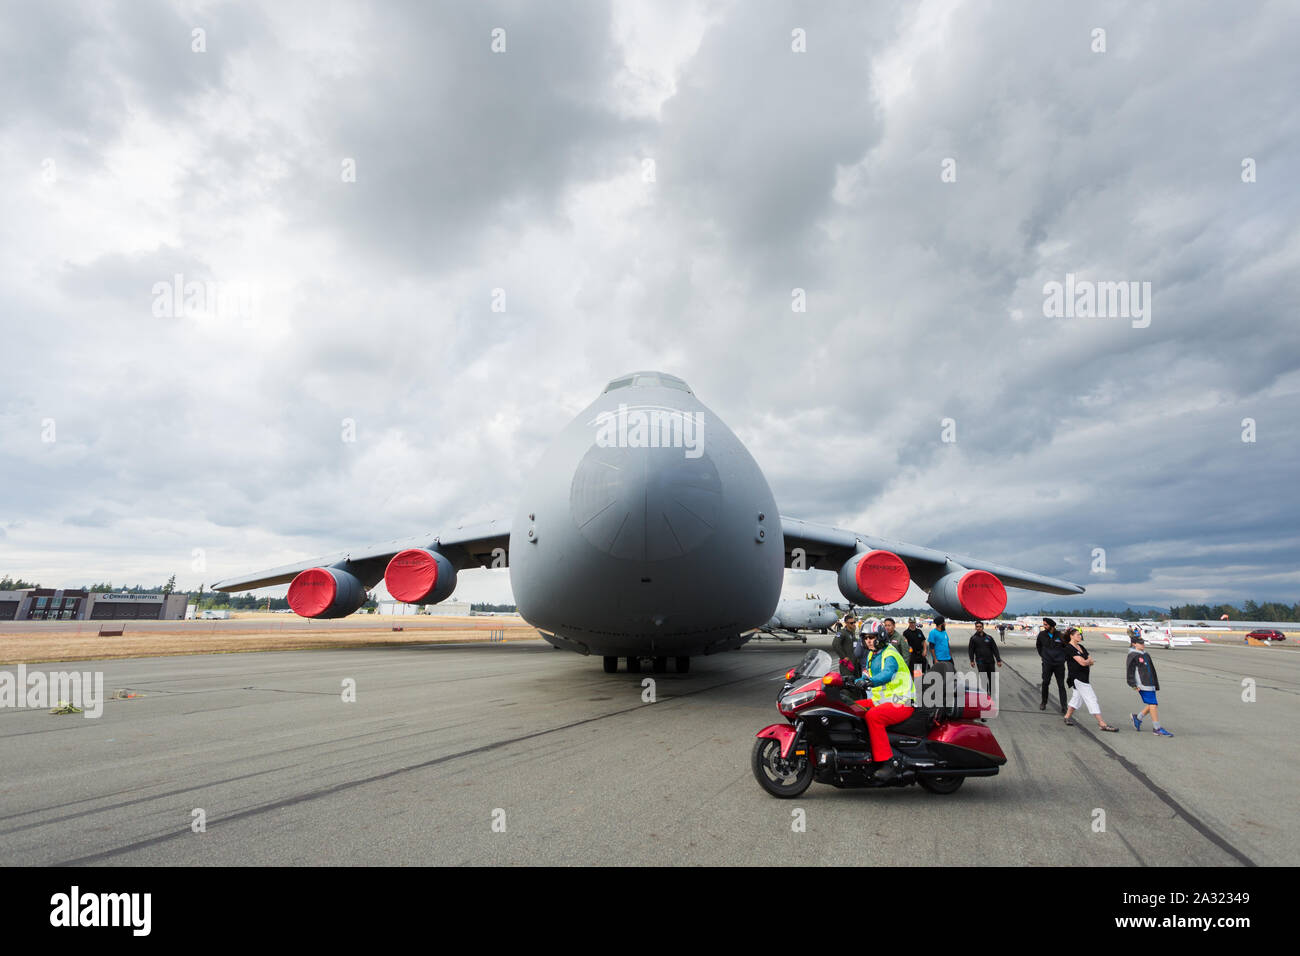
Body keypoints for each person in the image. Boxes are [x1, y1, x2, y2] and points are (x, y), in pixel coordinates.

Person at [852, 626, 915, 782]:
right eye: (866, 638)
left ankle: (888, 763)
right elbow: (865, 675)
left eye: (872, 637)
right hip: (883, 700)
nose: (869, 641)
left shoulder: (890, 653)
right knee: (851, 707)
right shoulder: (872, 655)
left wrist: (869, 681)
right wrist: (849, 681)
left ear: (880, 637)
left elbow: (887, 673)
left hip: (902, 701)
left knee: (874, 716)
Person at [1061, 627, 1119, 731]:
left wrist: (1086, 661)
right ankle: (1102, 723)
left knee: (1077, 698)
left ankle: (1067, 717)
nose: (1080, 636)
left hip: (1084, 676)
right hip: (1077, 677)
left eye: (1080, 634)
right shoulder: (1069, 648)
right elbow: (1083, 662)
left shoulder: (1081, 647)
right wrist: (1087, 661)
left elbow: (1090, 661)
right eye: (1078, 634)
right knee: (1091, 698)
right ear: (1071, 636)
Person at [1127, 636, 1173, 736]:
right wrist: (1133, 684)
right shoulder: (1132, 655)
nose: (1142, 644)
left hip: (1150, 682)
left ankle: (1138, 718)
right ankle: (1157, 728)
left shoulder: (1146, 654)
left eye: (1143, 642)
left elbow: (1152, 669)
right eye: (1140, 643)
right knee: (1153, 704)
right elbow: (1129, 671)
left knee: (1153, 704)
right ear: (1134, 644)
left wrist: (1155, 683)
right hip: (1142, 683)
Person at [1036, 617, 1069, 713]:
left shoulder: (1060, 635)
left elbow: (1067, 647)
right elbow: (1038, 646)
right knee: (1045, 683)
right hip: (1047, 664)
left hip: (1059, 664)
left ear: (1051, 625)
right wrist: (1043, 656)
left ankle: (1064, 706)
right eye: (1043, 624)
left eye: (1046, 624)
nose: (1044, 626)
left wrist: (1063, 658)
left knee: (1061, 685)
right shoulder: (1042, 635)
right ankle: (1043, 702)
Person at [967, 621, 1002, 697]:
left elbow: (995, 649)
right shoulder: (973, 638)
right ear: (975, 628)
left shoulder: (989, 638)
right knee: (983, 679)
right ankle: (985, 694)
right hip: (980, 662)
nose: (979, 628)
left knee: (991, 678)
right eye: (977, 627)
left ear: (983, 627)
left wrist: (998, 660)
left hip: (990, 662)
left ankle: (992, 694)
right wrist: (972, 660)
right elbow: (971, 650)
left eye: (980, 626)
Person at [928, 615, 956, 709]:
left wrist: (951, 655)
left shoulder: (944, 632)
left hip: (948, 658)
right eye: (944, 622)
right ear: (941, 623)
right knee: (940, 678)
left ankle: (950, 695)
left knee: (952, 675)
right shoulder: (933, 633)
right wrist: (935, 659)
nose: (945, 623)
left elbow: (947, 644)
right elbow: (931, 647)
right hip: (939, 658)